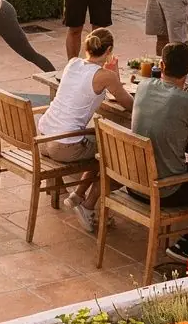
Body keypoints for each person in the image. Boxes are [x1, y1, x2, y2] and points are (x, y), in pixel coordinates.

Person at [131, 40, 188, 260]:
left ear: (161, 65)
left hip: (134, 183)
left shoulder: (143, 86)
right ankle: (185, 244)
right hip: (163, 190)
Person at [36, 27, 133, 232]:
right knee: (112, 149)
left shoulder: (73, 63)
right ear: (109, 51)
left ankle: (78, 195)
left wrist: (110, 75)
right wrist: (114, 76)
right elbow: (129, 104)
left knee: (98, 141)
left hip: (43, 138)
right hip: (64, 145)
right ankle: (88, 207)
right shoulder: (105, 76)